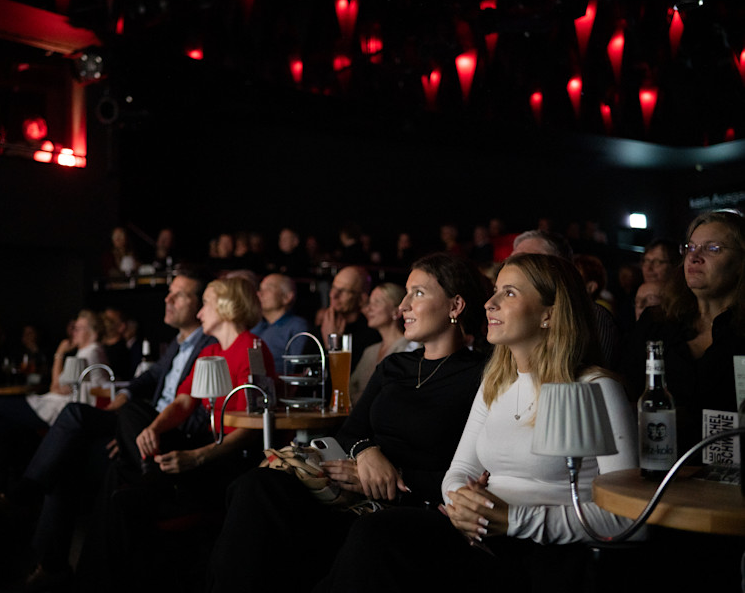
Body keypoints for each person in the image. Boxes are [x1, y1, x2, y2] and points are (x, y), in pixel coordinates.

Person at [315, 253, 638, 593]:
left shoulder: (597, 388)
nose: (489, 303)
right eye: (494, 290)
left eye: (509, 293)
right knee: (372, 533)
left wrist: (512, 520)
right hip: (477, 534)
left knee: (378, 538)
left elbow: (630, 517)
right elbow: (459, 471)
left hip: (539, 553)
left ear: (549, 314)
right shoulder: (495, 382)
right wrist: (462, 504)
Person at [207, 253, 489, 593]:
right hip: (351, 492)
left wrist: (392, 477)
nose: (403, 306)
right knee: (258, 485)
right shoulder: (394, 366)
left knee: (370, 533)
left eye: (417, 293)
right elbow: (351, 432)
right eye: (405, 293)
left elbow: (478, 469)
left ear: (455, 305)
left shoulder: (482, 375)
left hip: (413, 503)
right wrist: (367, 452)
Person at [0, 268, 217, 592]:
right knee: (68, 446)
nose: (168, 299)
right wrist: (124, 401)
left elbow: (198, 412)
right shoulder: (179, 343)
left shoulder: (210, 342)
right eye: (169, 292)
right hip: (139, 423)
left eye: (178, 295)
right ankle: (50, 564)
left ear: (200, 304)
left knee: (73, 420)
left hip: (162, 436)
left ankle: (23, 500)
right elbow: (148, 379)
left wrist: (130, 430)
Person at [71, 275, 277, 593]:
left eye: (205, 304)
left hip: (227, 458)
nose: (200, 312)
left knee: (120, 480)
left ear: (226, 306)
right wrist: (153, 428)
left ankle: (92, 581)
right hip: (202, 449)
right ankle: (155, 482)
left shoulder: (253, 348)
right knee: (132, 414)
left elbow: (254, 429)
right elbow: (182, 403)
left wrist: (197, 457)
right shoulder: (212, 352)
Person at [621, 210, 745, 451]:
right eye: (691, 247)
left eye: (713, 249)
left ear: (741, 262)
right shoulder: (655, 323)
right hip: (659, 462)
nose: (695, 257)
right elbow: (626, 391)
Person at [0, 310, 109, 492]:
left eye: (78, 328)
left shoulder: (90, 352)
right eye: (74, 328)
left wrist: (59, 353)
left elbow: (55, 387)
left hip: (59, 410)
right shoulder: (88, 351)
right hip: (57, 405)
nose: (74, 332)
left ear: (92, 331)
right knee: (1, 425)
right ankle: (0, 488)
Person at [511, 230, 619, 369]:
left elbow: (596, 375)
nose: (513, 267)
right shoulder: (507, 312)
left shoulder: (592, 316)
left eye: (527, 259)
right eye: (513, 259)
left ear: (559, 266)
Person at [348, 282, 418, 405]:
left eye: (377, 302)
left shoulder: (411, 348)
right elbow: (348, 390)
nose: (368, 309)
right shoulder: (370, 351)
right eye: (369, 303)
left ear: (396, 311)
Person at [316, 265, 381, 368]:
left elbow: (350, 376)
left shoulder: (372, 335)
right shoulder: (322, 327)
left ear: (361, 299)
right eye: (333, 287)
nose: (333, 295)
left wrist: (332, 345)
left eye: (343, 291)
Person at [251, 273, 310, 375]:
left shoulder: (296, 326)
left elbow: (298, 371)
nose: (260, 294)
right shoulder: (256, 325)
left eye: (269, 289)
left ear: (287, 297)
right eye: (260, 289)